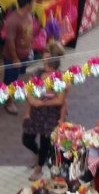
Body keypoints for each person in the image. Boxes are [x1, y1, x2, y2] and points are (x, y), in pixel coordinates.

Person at [22, 44, 68, 180]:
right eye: (44, 56)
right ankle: (37, 154)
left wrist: (41, 103)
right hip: (35, 113)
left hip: (51, 115)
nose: (44, 60)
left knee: (45, 142)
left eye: (47, 57)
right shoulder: (37, 73)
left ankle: (39, 168)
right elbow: (28, 90)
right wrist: (31, 104)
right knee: (27, 139)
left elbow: (61, 100)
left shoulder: (60, 77)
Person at [2, 0, 35, 115]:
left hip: (24, 55)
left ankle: (4, 92)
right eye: (32, 1)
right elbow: (10, 40)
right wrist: (15, 58)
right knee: (11, 79)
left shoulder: (28, 15)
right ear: (27, 4)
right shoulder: (13, 20)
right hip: (13, 57)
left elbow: (28, 33)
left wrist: (30, 48)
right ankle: (9, 102)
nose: (34, 3)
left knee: (16, 77)